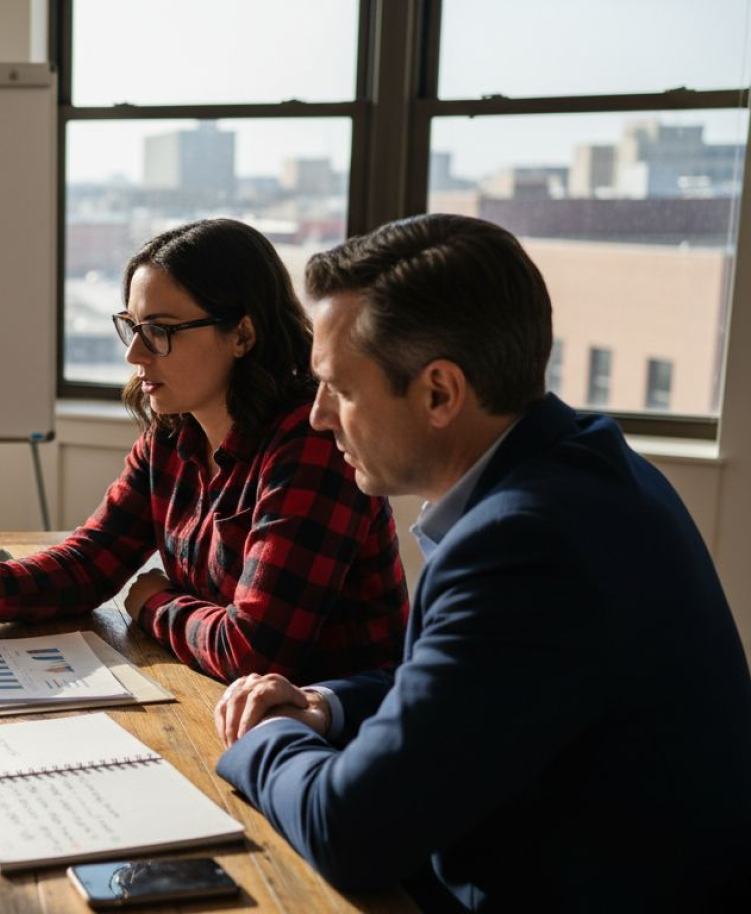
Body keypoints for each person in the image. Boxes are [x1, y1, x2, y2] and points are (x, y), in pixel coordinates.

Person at [213, 213, 751, 911]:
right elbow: (479, 684)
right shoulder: (589, 467)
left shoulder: (524, 544)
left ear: (440, 392)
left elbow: (350, 830)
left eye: (341, 389)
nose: (318, 417)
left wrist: (264, 737)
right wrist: (325, 707)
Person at [0, 218, 408, 684]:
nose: (134, 354)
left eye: (160, 331)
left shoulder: (314, 444)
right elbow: (90, 563)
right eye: (131, 326)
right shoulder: (172, 435)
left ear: (242, 334)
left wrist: (152, 602)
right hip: (218, 701)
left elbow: (254, 653)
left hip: (332, 727)